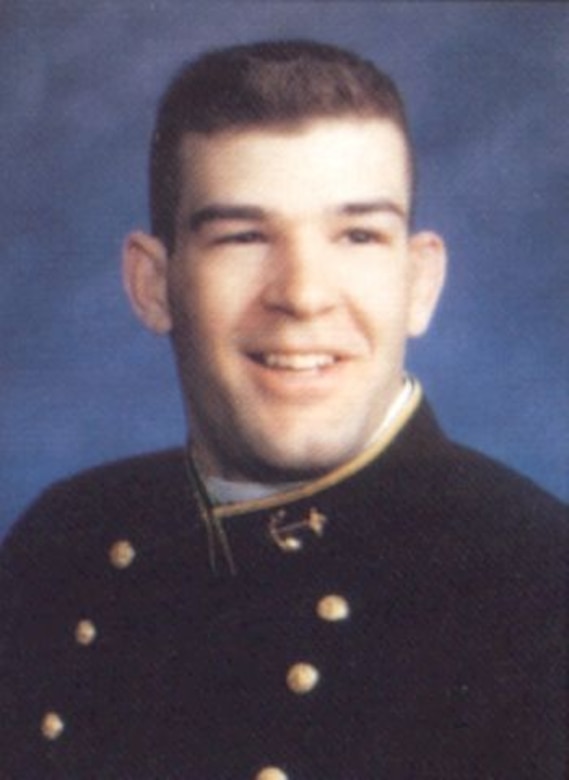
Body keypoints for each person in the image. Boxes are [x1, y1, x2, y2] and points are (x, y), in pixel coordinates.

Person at [0, 40, 566, 780]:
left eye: (357, 235)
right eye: (243, 236)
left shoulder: (539, 589)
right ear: (152, 285)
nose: (301, 294)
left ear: (419, 282)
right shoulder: (64, 539)